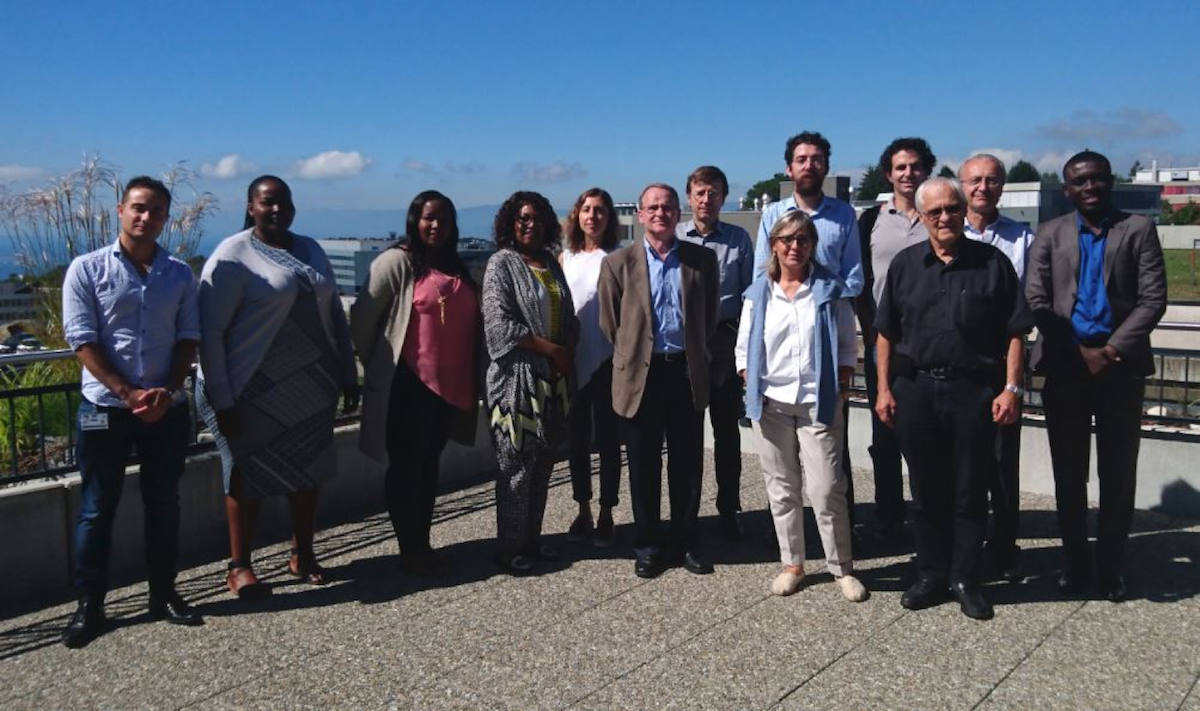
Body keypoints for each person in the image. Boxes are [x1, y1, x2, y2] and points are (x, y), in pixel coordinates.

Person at [874, 177, 1032, 620]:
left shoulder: (992, 263)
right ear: (923, 218)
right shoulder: (905, 265)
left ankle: (965, 577)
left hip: (974, 391)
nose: (945, 218)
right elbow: (886, 332)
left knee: (970, 489)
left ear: (963, 211)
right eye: (935, 212)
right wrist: (883, 389)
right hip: (916, 391)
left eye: (952, 209)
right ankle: (931, 573)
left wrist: (1011, 388)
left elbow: (1016, 331)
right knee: (925, 491)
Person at [198, 175, 359, 599]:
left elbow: (335, 316)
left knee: (308, 472)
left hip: (311, 384)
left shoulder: (310, 249)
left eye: (283, 201)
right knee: (245, 474)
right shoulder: (232, 254)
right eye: (267, 202)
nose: (276, 209)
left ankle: (302, 554)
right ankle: (239, 567)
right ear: (250, 206)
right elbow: (210, 333)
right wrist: (222, 398)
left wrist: (348, 372)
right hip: (249, 385)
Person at [60, 177, 203, 647]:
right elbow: (81, 338)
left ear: (166, 219)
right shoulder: (86, 269)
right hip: (105, 409)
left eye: (157, 211)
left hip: (166, 408)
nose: (146, 217)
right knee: (97, 508)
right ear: (120, 210)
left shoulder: (179, 275)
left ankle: (163, 594)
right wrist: (127, 394)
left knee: (163, 503)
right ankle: (90, 606)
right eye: (139, 208)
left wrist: (168, 391)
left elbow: (188, 337)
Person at [1025, 150, 1167, 602]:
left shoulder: (1138, 229)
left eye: (1097, 179)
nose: (1090, 187)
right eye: (1080, 181)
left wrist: (1110, 350)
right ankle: (1075, 563)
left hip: (1120, 369)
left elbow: (1153, 300)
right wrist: (1078, 352)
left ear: (1110, 181)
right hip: (1066, 368)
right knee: (1069, 475)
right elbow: (1036, 299)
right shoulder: (1049, 233)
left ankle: (1111, 569)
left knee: (1117, 475)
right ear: (1067, 189)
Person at [736, 211, 868, 602]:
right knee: (782, 489)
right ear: (774, 245)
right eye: (787, 239)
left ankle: (841, 568)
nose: (795, 246)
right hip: (771, 404)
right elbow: (743, 347)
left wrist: (840, 386)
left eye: (803, 239)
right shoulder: (758, 292)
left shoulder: (830, 290)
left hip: (817, 402)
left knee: (826, 489)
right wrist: (750, 380)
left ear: (812, 245)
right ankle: (792, 564)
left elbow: (848, 346)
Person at [350, 191, 480, 576]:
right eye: (428, 218)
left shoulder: (455, 265)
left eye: (444, 219)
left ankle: (421, 542)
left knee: (428, 467)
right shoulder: (397, 262)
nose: (436, 225)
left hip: (448, 388)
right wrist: (379, 365)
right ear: (414, 221)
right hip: (407, 386)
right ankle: (410, 549)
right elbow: (362, 320)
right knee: (407, 468)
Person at [598, 183, 719, 578]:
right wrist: (635, 352)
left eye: (667, 207)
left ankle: (686, 542)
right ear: (640, 214)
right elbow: (610, 323)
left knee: (687, 465)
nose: (660, 213)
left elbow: (709, 316)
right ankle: (648, 545)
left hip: (685, 371)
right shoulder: (618, 264)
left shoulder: (702, 260)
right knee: (643, 464)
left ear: (678, 213)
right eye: (652, 207)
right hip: (641, 374)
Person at [752, 131, 865, 539]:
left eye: (816, 159)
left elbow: (854, 276)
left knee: (830, 462)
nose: (809, 165)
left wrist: (818, 294)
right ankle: (790, 542)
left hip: (827, 339)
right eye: (801, 159)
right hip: (783, 343)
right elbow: (762, 277)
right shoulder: (773, 214)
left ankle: (841, 537)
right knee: (781, 465)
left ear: (826, 166)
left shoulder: (843, 215)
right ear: (789, 168)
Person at [484, 191, 578, 573]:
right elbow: (499, 327)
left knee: (542, 467)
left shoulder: (550, 264)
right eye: (523, 218)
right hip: (515, 383)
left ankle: (533, 540)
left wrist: (568, 347)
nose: (530, 224)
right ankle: (509, 549)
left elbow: (570, 316)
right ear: (511, 222)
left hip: (553, 383)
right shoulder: (501, 264)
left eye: (537, 218)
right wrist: (553, 351)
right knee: (515, 468)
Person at [960, 153, 1037, 582]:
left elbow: (1026, 312)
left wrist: (1014, 384)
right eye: (974, 180)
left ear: (1002, 187)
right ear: (962, 185)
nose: (982, 188)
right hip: (958, 367)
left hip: (1003, 364)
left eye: (991, 180)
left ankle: (1005, 548)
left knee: (1003, 465)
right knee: (959, 465)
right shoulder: (946, 232)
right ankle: (962, 549)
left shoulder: (1022, 239)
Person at [856, 137, 937, 543]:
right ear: (888, 174)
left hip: (932, 343)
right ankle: (888, 516)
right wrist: (870, 328)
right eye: (900, 167)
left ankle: (931, 515)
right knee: (885, 432)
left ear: (927, 170)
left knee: (931, 435)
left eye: (915, 166)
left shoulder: (938, 215)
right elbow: (859, 281)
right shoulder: (870, 220)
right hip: (883, 342)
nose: (908, 173)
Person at [677, 166, 754, 540]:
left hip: (725, 341)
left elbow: (752, 296)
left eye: (714, 193)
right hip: (683, 343)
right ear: (689, 197)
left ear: (724, 197)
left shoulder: (738, 240)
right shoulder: (675, 237)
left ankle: (728, 508)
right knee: (687, 433)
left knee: (726, 432)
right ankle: (687, 515)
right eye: (700, 192)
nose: (706, 199)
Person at [560, 188, 622, 548]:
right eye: (586, 209)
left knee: (609, 441)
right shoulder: (565, 258)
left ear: (608, 217)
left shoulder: (620, 256)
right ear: (577, 215)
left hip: (610, 360)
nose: (593, 216)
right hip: (573, 358)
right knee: (578, 440)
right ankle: (582, 508)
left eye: (600, 210)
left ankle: (606, 512)